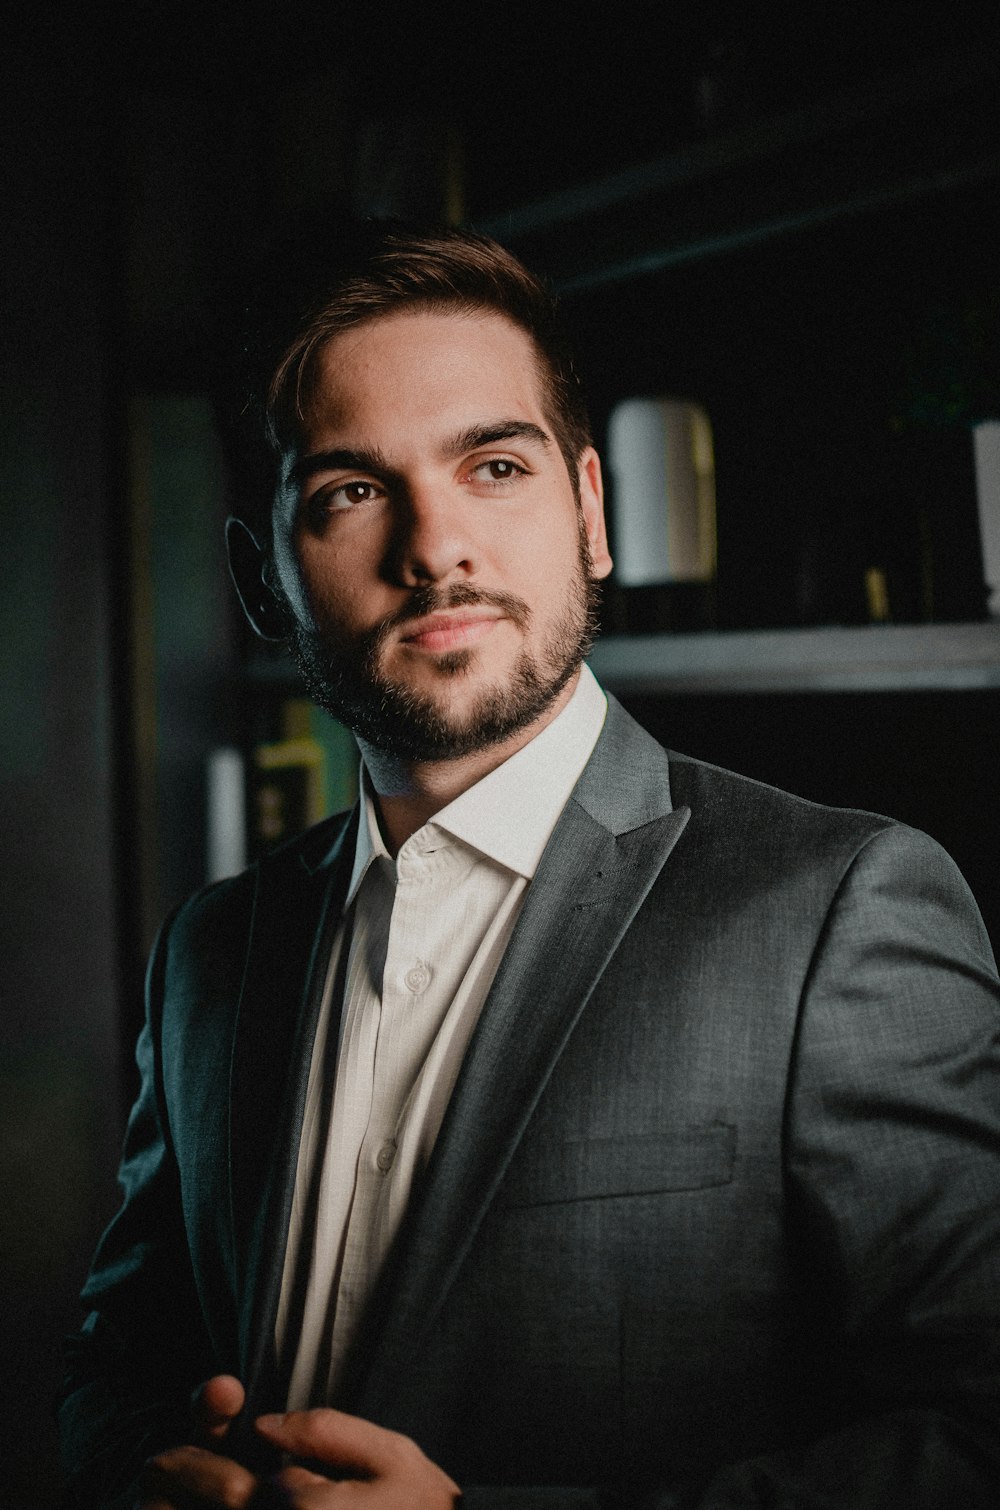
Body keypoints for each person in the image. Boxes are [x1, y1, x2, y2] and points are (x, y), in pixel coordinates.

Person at [60, 225, 1000, 1509]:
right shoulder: (210, 953)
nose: (434, 546)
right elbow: (114, 1368)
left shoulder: (842, 910)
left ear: (592, 512)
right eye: (349, 490)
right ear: (261, 584)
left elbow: (973, 1438)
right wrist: (139, 1468)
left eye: (493, 465)